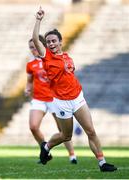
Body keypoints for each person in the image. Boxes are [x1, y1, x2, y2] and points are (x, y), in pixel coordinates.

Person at [32, 7, 117, 172]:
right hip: (62, 102)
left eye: (53, 41)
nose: (51, 44)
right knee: (66, 136)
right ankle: (46, 146)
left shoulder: (67, 56)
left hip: (77, 97)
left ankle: (102, 163)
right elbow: (35, 39)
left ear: (60, 42)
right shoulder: (46, 56)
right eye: (48, 42)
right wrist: (38, 20)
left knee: (91, 131)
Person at [25, 35, 78, 164]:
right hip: (39, 98)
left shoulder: (50, 58)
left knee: (63, 130)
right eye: (30, 48)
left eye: (34, 46)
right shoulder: (31, 65)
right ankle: (45, 151)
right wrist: (28, 88)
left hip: (54, 98)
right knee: (33, 126)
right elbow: (29, 81)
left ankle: (72, 155)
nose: (33, 49)